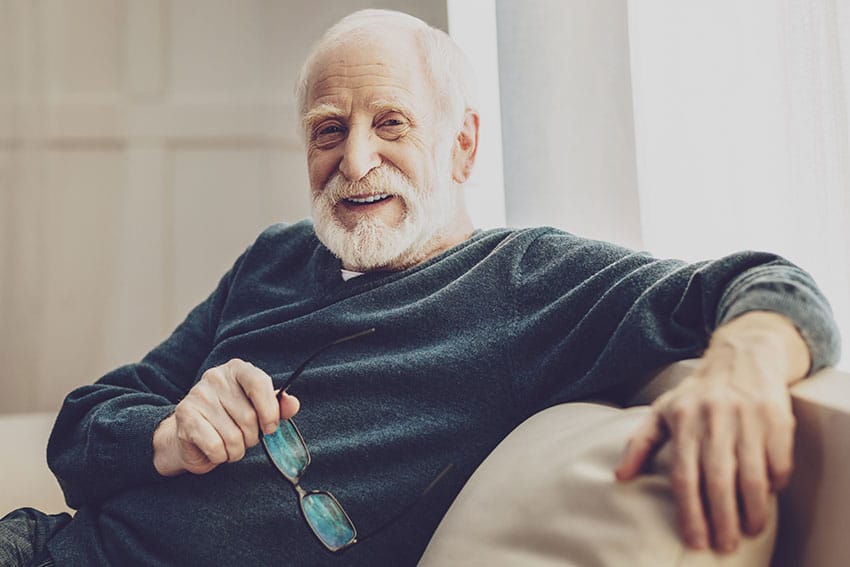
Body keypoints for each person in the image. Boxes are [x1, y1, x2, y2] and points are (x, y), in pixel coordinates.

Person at [0, 8, 840, 567]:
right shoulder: (275, 257)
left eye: (389, 122)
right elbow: (79, 429)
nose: (355, 160)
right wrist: (166, 435)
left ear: (463, 146)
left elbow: (761, 281)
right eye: (329, 130)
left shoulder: (522, 283)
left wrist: (744, 365)